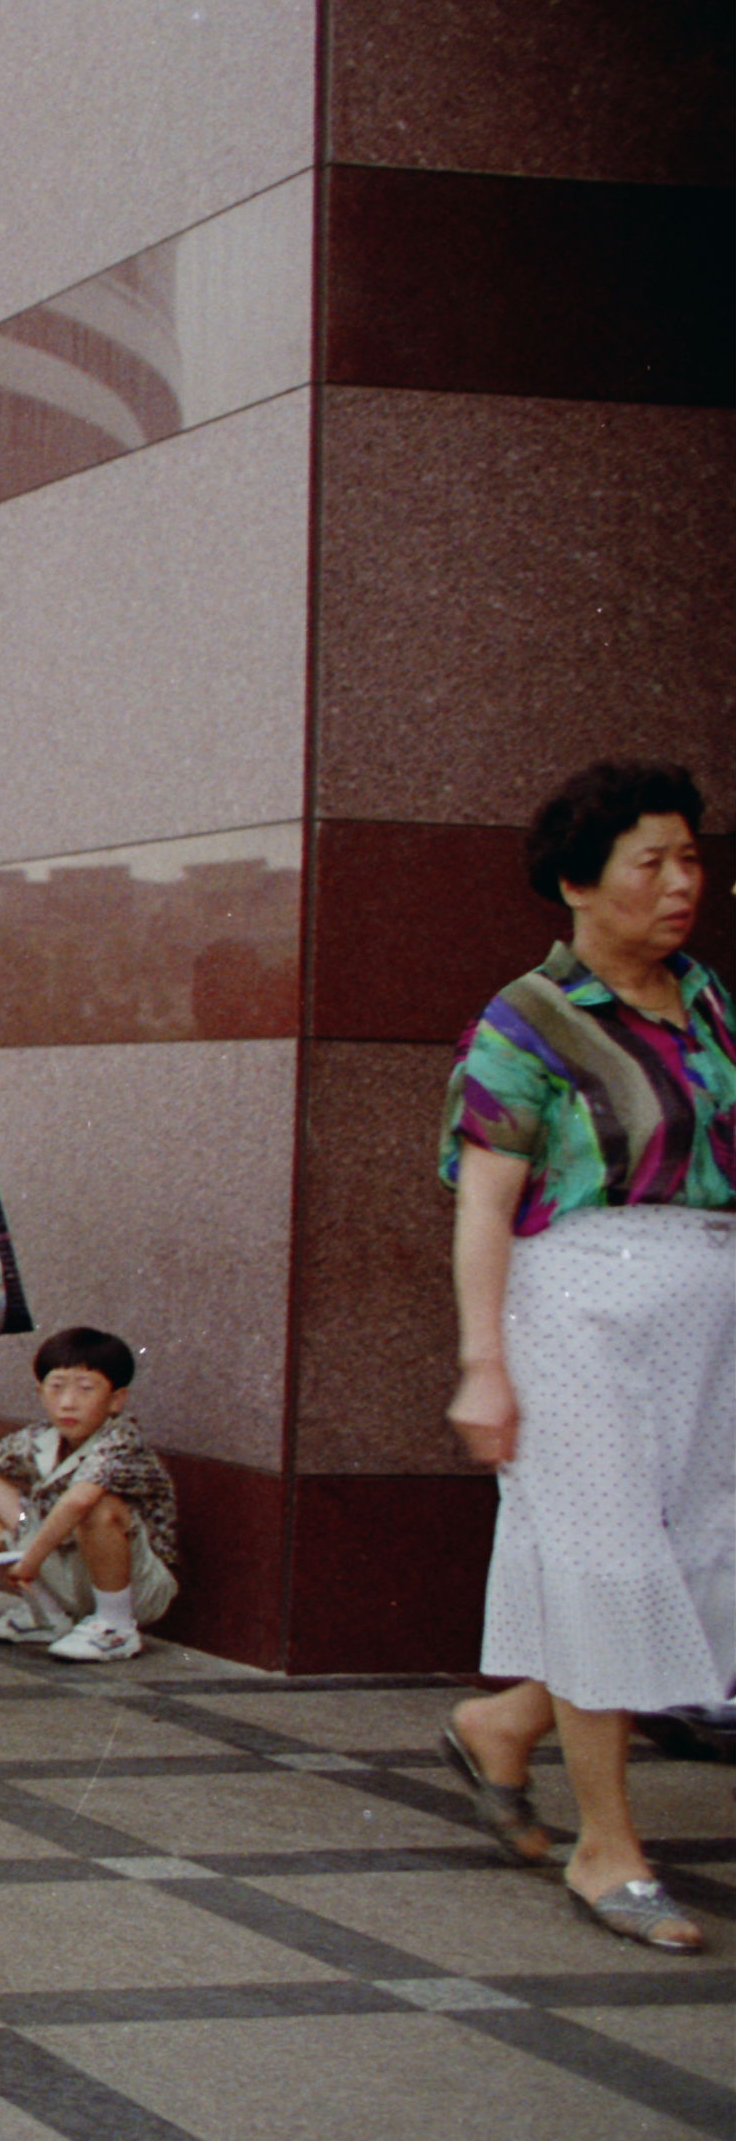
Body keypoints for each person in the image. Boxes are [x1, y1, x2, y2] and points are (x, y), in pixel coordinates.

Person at [440, 759, 729, 1958]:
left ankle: (504, 1724)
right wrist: (481, 1364)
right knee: (606, 1565)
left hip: (702, 1316)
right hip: (578, 1317)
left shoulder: (705, 999)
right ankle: (607, 1848)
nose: (680, 885)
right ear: (576, 882)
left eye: (690, 859)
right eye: (648, 862)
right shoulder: (528, 1019)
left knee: (689, 1561)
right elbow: (484, 1205)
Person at [0, 1325, 181, 1663]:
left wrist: (29, 1561)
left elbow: (79, 1501)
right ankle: (47, 1615)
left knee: (99, 1507)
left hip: (138, 1586)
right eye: (56, 1388)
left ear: (116, 1399)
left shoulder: (121, 1440)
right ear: (40, 1391)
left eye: (86, 1390)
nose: (68, 1403)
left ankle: (115, 1627)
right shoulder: (41, 1438)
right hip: (67, 1568)